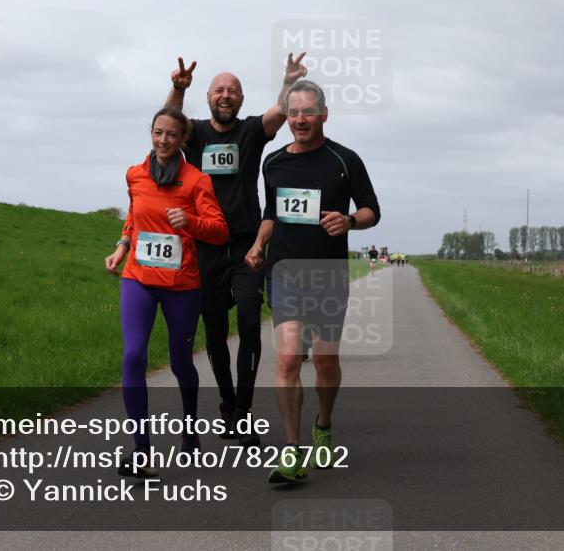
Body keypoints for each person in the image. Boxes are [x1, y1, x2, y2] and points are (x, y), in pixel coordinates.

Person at [163, 53, 307, 446]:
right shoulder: (192, 133)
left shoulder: (249, 132)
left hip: (246, 246)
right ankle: (226, 402)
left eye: (233, 91)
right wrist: (178, 88)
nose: (226, 96)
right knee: (214, 333)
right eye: (219, 90)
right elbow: (169, 123)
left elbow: (278, 113)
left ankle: (241, 415)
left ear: (241, 99)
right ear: (208, 97)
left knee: (248, 324)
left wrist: (290, 80)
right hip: (204, 247)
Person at [245, 80, 380, 484]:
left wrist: (350, 221)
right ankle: (292, 452)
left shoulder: (345, 159)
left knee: (324, 361)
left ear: (323, 114)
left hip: (327, 273)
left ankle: (323, 424)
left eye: (307, 112)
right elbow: (272, 213)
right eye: (293, 112)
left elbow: (372, 209)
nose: (300, 119)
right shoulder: (273, 162)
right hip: (285, 271)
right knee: (287, 360)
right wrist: (257, 245)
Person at [105, 108, 229, 477]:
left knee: (180, 362)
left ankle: (190, 432)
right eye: (158, 133)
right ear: (151, 133)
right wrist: (123, 245)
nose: (163, 140)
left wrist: (189, 222)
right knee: (133, 356)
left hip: (181, 285)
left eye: (171, 135)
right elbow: (134, 213)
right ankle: (140, 449)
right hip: (138, 279)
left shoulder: (196, 181)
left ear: (181, 139)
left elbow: (219, 231)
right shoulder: (135, 174)